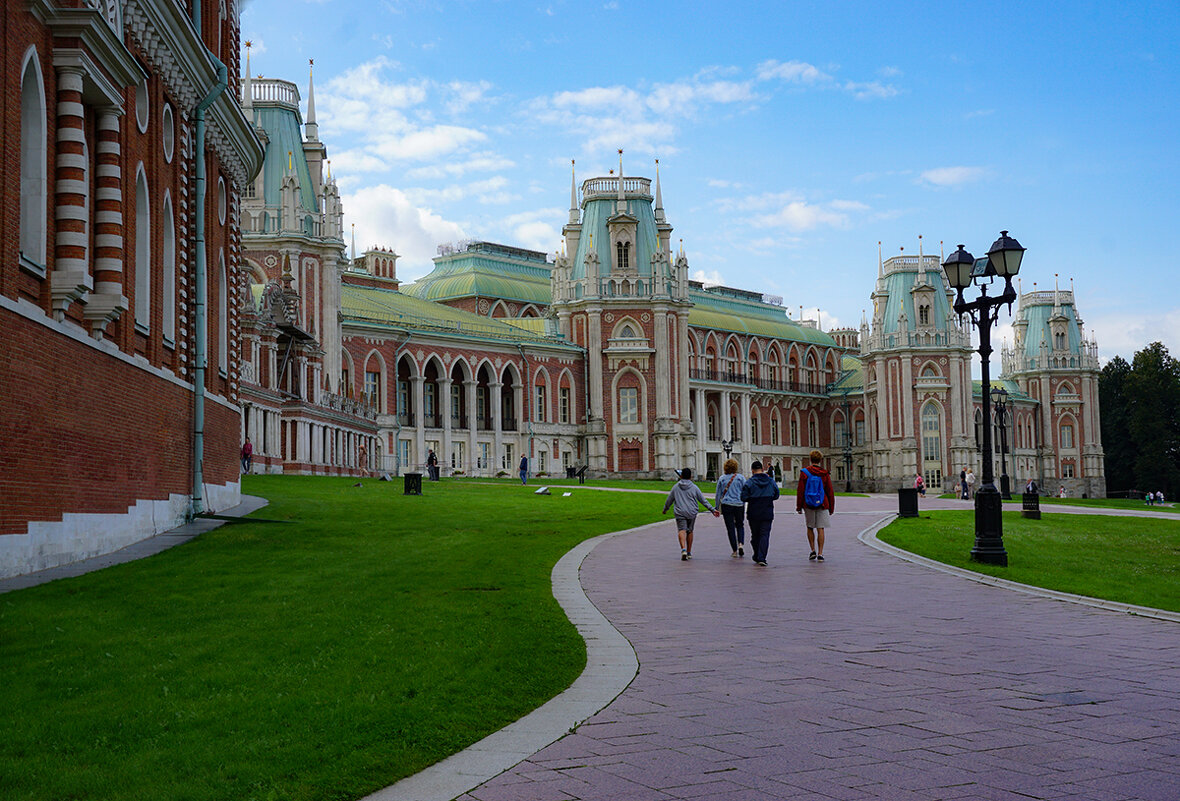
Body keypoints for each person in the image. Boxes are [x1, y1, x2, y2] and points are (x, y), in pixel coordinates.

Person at [662, 467, 720, 561]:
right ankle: (689, 552)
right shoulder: (694, 487)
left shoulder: (676, 487)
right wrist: (713, 510)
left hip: (680, 512)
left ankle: (683, 549)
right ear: (690, 477)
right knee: (690, 531)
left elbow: (669, 500)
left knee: (681, 529)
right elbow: (703, 500)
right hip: (692, 512)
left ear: (681, 476)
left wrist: (665, 509)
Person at [796, 449, 835, 562]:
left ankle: (812, 550)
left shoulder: (804, 472)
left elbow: (801, 491)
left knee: (810, 527)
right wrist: (831, 507)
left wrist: (799, 506)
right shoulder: (824, 473)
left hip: (808, 504)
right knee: (820, 528)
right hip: (822, 504)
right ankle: (821, 553)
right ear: (820, 460)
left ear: (810, 459)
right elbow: (829, 491)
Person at [741, 460, 780, 566]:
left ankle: (757, 554)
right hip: (767, 511)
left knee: (755, 535)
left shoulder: (749, 482)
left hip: (754, 512)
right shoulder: (771, 481)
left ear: (752, 471)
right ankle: (762, 557)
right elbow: (776, 494)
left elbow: (743, 497)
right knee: (764, 535)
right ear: (762, 470)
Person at [714, 459, 747, 558]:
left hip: (727, 505)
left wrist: (716, 507)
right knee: (740, 525)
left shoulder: (722, 478)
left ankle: (734, 550)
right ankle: (741, 543)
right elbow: (745, 491)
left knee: (730, 528)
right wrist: (743, 502)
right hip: (739, 504)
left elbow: (718, 494)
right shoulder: (741, 478)